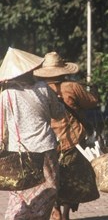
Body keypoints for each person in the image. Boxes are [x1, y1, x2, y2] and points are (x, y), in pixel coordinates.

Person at [0, 47, 65, 219]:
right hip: (45, 149)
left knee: (19, 192)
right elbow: (58, 114)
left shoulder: (5, 95)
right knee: (49, 189)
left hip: (18, 151)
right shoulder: (43, 88)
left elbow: (1, 126)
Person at [34, 52, 100, 220]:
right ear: (63, 69)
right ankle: (65, 214)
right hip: (71, 140)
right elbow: (91, 102)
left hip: (46, 140)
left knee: (50, 178)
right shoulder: (72, 86)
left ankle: (55, 209)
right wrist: (94, 90)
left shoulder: (38, 89)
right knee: (71, 178)